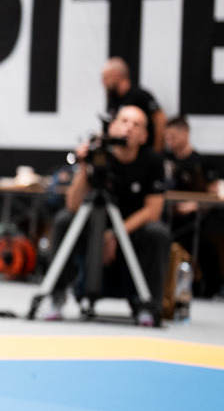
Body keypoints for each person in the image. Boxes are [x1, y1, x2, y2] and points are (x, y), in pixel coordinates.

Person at [46, 105, 171, 325]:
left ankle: (149, 307)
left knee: (157, 232)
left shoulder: (153, 161)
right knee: (64, 220)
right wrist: (84, 165)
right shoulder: (99, 155)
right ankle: (56, 297)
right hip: (94, 228)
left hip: (131, 232)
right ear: (111, 127)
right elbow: (73, 204)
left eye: (136, 125)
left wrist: (114, 234)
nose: (128, 128)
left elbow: (153, 211)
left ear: (144, 136)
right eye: (123, 121)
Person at [163, 116, 223, 298]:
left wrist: (195, 206)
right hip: (168, 219)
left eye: (173, 136)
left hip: (196, 222)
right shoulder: (164, 162)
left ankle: (209, 289)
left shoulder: (202, 162)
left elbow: (215, 192)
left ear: (185, 133)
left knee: (205, 248)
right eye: (167, 137)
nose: (169, 141)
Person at [102, 57, 167, 152]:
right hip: (123, 154)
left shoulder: (140, 96)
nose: (103, 83)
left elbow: (160, 121)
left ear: (117, 75)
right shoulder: (112, 99)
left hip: (143, 153)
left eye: (106, 78)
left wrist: (157, 150)